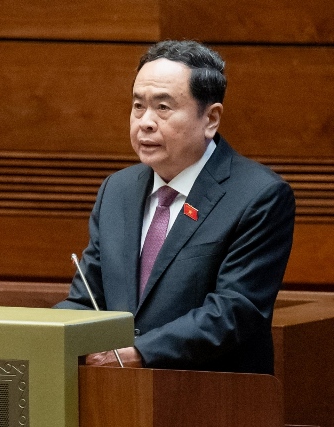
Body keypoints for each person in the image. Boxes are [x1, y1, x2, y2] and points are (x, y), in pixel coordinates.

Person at [54, 40, 295, 374]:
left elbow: (235, 310)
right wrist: (43, 336)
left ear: (210, 118)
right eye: (138, 106)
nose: (145, 122)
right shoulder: (117, 190)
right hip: (117, 392)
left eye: (163, 107)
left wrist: (139, 353)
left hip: (212, 392)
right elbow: (86, 300)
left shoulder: (258, 195)